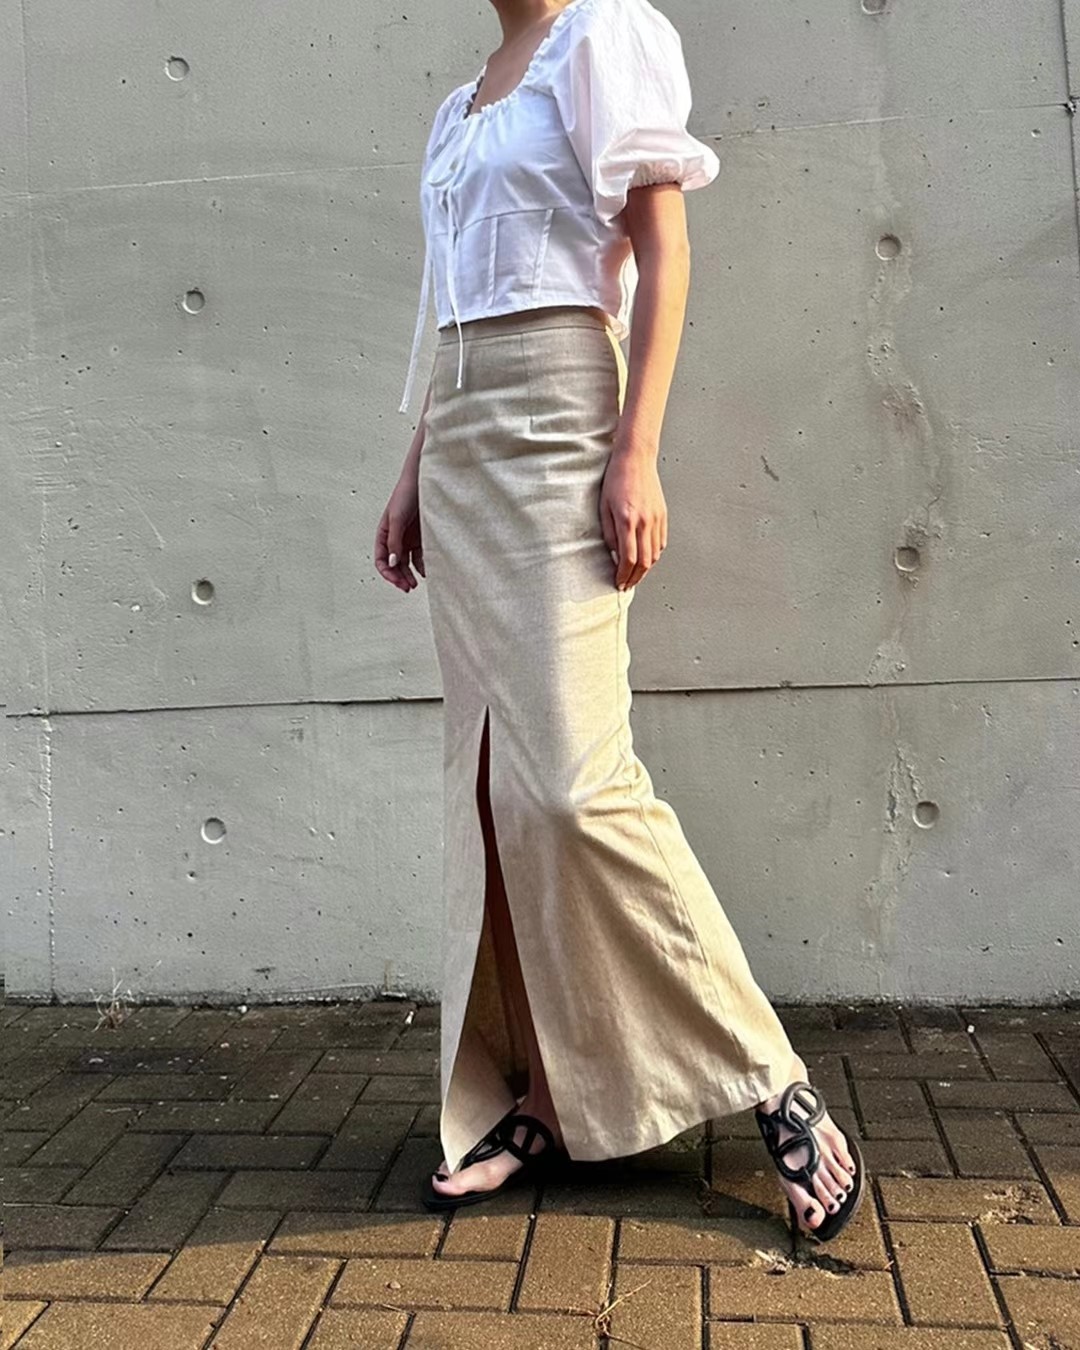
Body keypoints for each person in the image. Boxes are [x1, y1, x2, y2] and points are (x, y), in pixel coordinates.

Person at [374, 0, 866, 1244]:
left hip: (560, 422)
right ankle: (541, 1096)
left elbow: (663, 247)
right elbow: (452, 306)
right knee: (495, 788)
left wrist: (635, 453)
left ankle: (769, 1075)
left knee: (575, 790)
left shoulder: (601, 35)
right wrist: (413, 466)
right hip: (463, 435)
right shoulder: (459, 105)